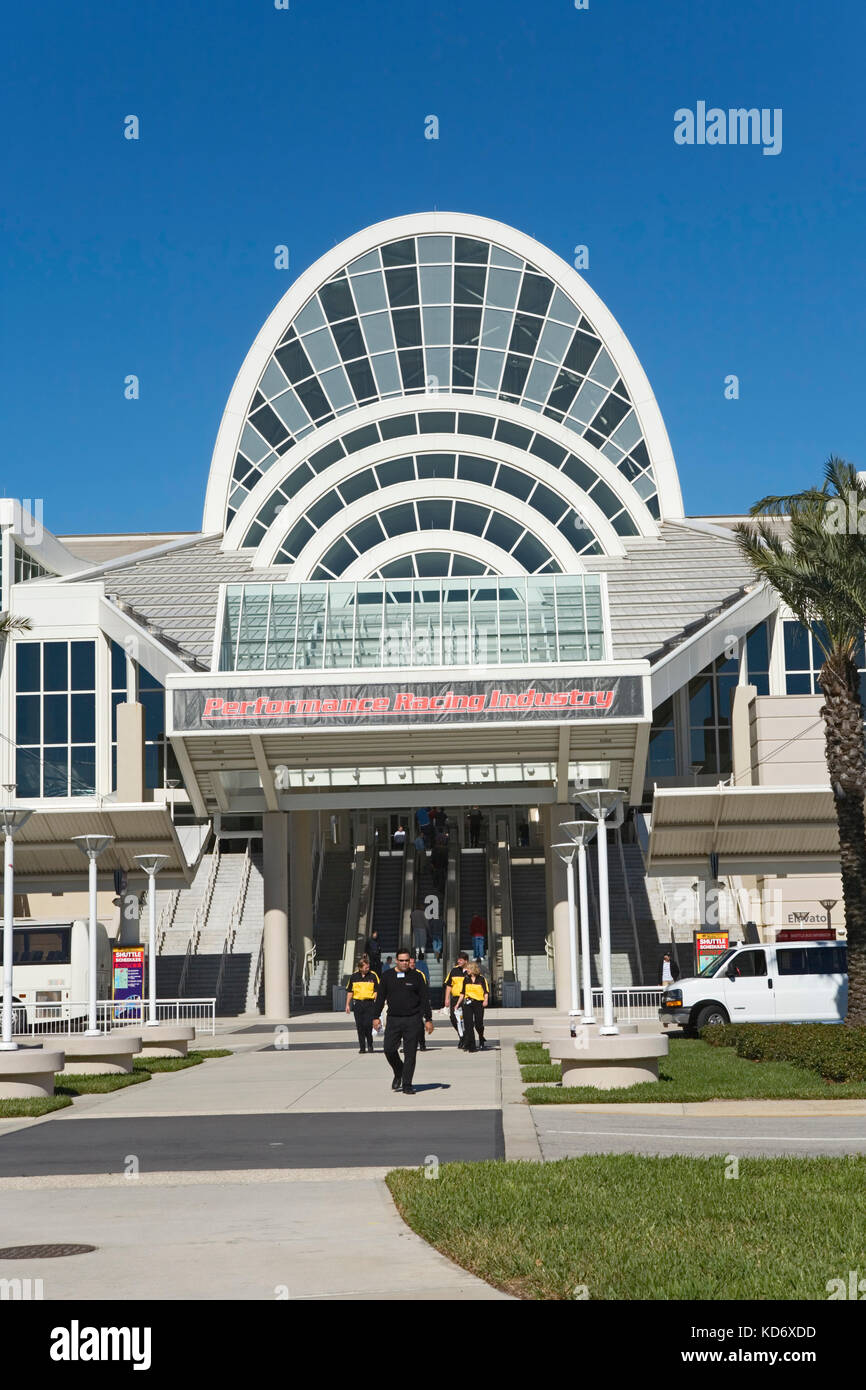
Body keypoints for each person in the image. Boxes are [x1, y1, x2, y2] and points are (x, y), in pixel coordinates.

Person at [373, 948, 433, 1095]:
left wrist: (428, 1019)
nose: (405, 963)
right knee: (388, 1049)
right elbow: (380, 998)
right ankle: (399, 1071)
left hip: (413, 1019)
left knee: (410, 1053)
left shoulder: (417, 977)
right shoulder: (387, 976)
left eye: (407, 960)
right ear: (396, 960)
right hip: (393, 1019)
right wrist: (375, 1017)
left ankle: (407, 1084)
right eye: (402, 960)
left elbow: (424, 999)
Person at [345, 957, 380, 1053]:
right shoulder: (354, 977)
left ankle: (370, 1044)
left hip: (370, 1004)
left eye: (368, 967)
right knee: (360, 1026)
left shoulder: (373, 976)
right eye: (366, 967)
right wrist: (347, 1004)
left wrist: (377, 1003)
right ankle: (362, 1047)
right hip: (358, 1004)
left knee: (368, 1025)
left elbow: (377, 990)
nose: (368, 969)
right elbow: (350, 992)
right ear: (360, 968)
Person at [461, 961, 489, 1052]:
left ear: (472, 969)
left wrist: (485, 1000)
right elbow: (462, 993)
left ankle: (481, 1037)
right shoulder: (466, 979)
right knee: (468, 1024)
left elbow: (486, 992)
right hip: (468, 1003)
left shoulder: (481, 979)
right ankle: (471, 1046)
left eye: (468, 968)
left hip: (478, 1003)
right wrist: (457, 1004)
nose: (466, 970)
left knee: (478, 1024)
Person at [443, 951, 469, 1049]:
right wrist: (446, 999)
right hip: (455, 998)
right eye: (458, 959)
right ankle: (461, 1036)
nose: (458, 961)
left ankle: (466, 1039)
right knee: (454, 1018)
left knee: (465, 1020)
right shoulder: (454, 971)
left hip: (466, 998)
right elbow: (449, 986)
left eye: (461, 960)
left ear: (466, 961)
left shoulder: (470, 971)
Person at [409, 951, 430, 1049]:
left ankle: (422, 1043)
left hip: (418, 1003)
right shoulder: (402, 974)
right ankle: (407, 1046)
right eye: (410, 963)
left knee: (419, 1025)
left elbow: (424, 990)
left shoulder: (420, 974)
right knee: (406, 1026)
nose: (412, 964)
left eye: (413, 963)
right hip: (406, 1004)